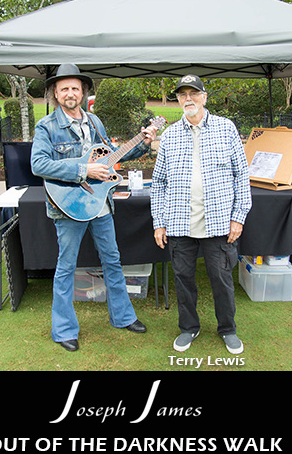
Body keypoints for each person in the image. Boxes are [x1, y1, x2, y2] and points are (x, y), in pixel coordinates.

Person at [30, 64, 153, 352]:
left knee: (113, 260)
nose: (70, 93)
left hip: (100, 204)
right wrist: (83, 170)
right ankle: (63, 330)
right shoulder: (46, 126)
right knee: (66, 266)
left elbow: (111, 156)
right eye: (64, 89)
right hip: (69, 205)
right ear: (55, 94)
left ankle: (122, 317)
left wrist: (142, 143)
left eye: (75, 88)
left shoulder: (95, 121)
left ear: (84, 92)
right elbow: (39, 165)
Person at [151, 75, 252, 355]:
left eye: (193, 93)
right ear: (178, 100)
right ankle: (188, 328)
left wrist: (238, 216)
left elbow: (241, 174)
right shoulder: (170, 135)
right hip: (180, 223)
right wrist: (159, 223)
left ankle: (228, 329)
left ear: (205, 97)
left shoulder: (225, 128)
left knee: (221, 280)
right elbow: (158, 182)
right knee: (183, 279)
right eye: (182, 95)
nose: (188, 99)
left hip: (218, 222)